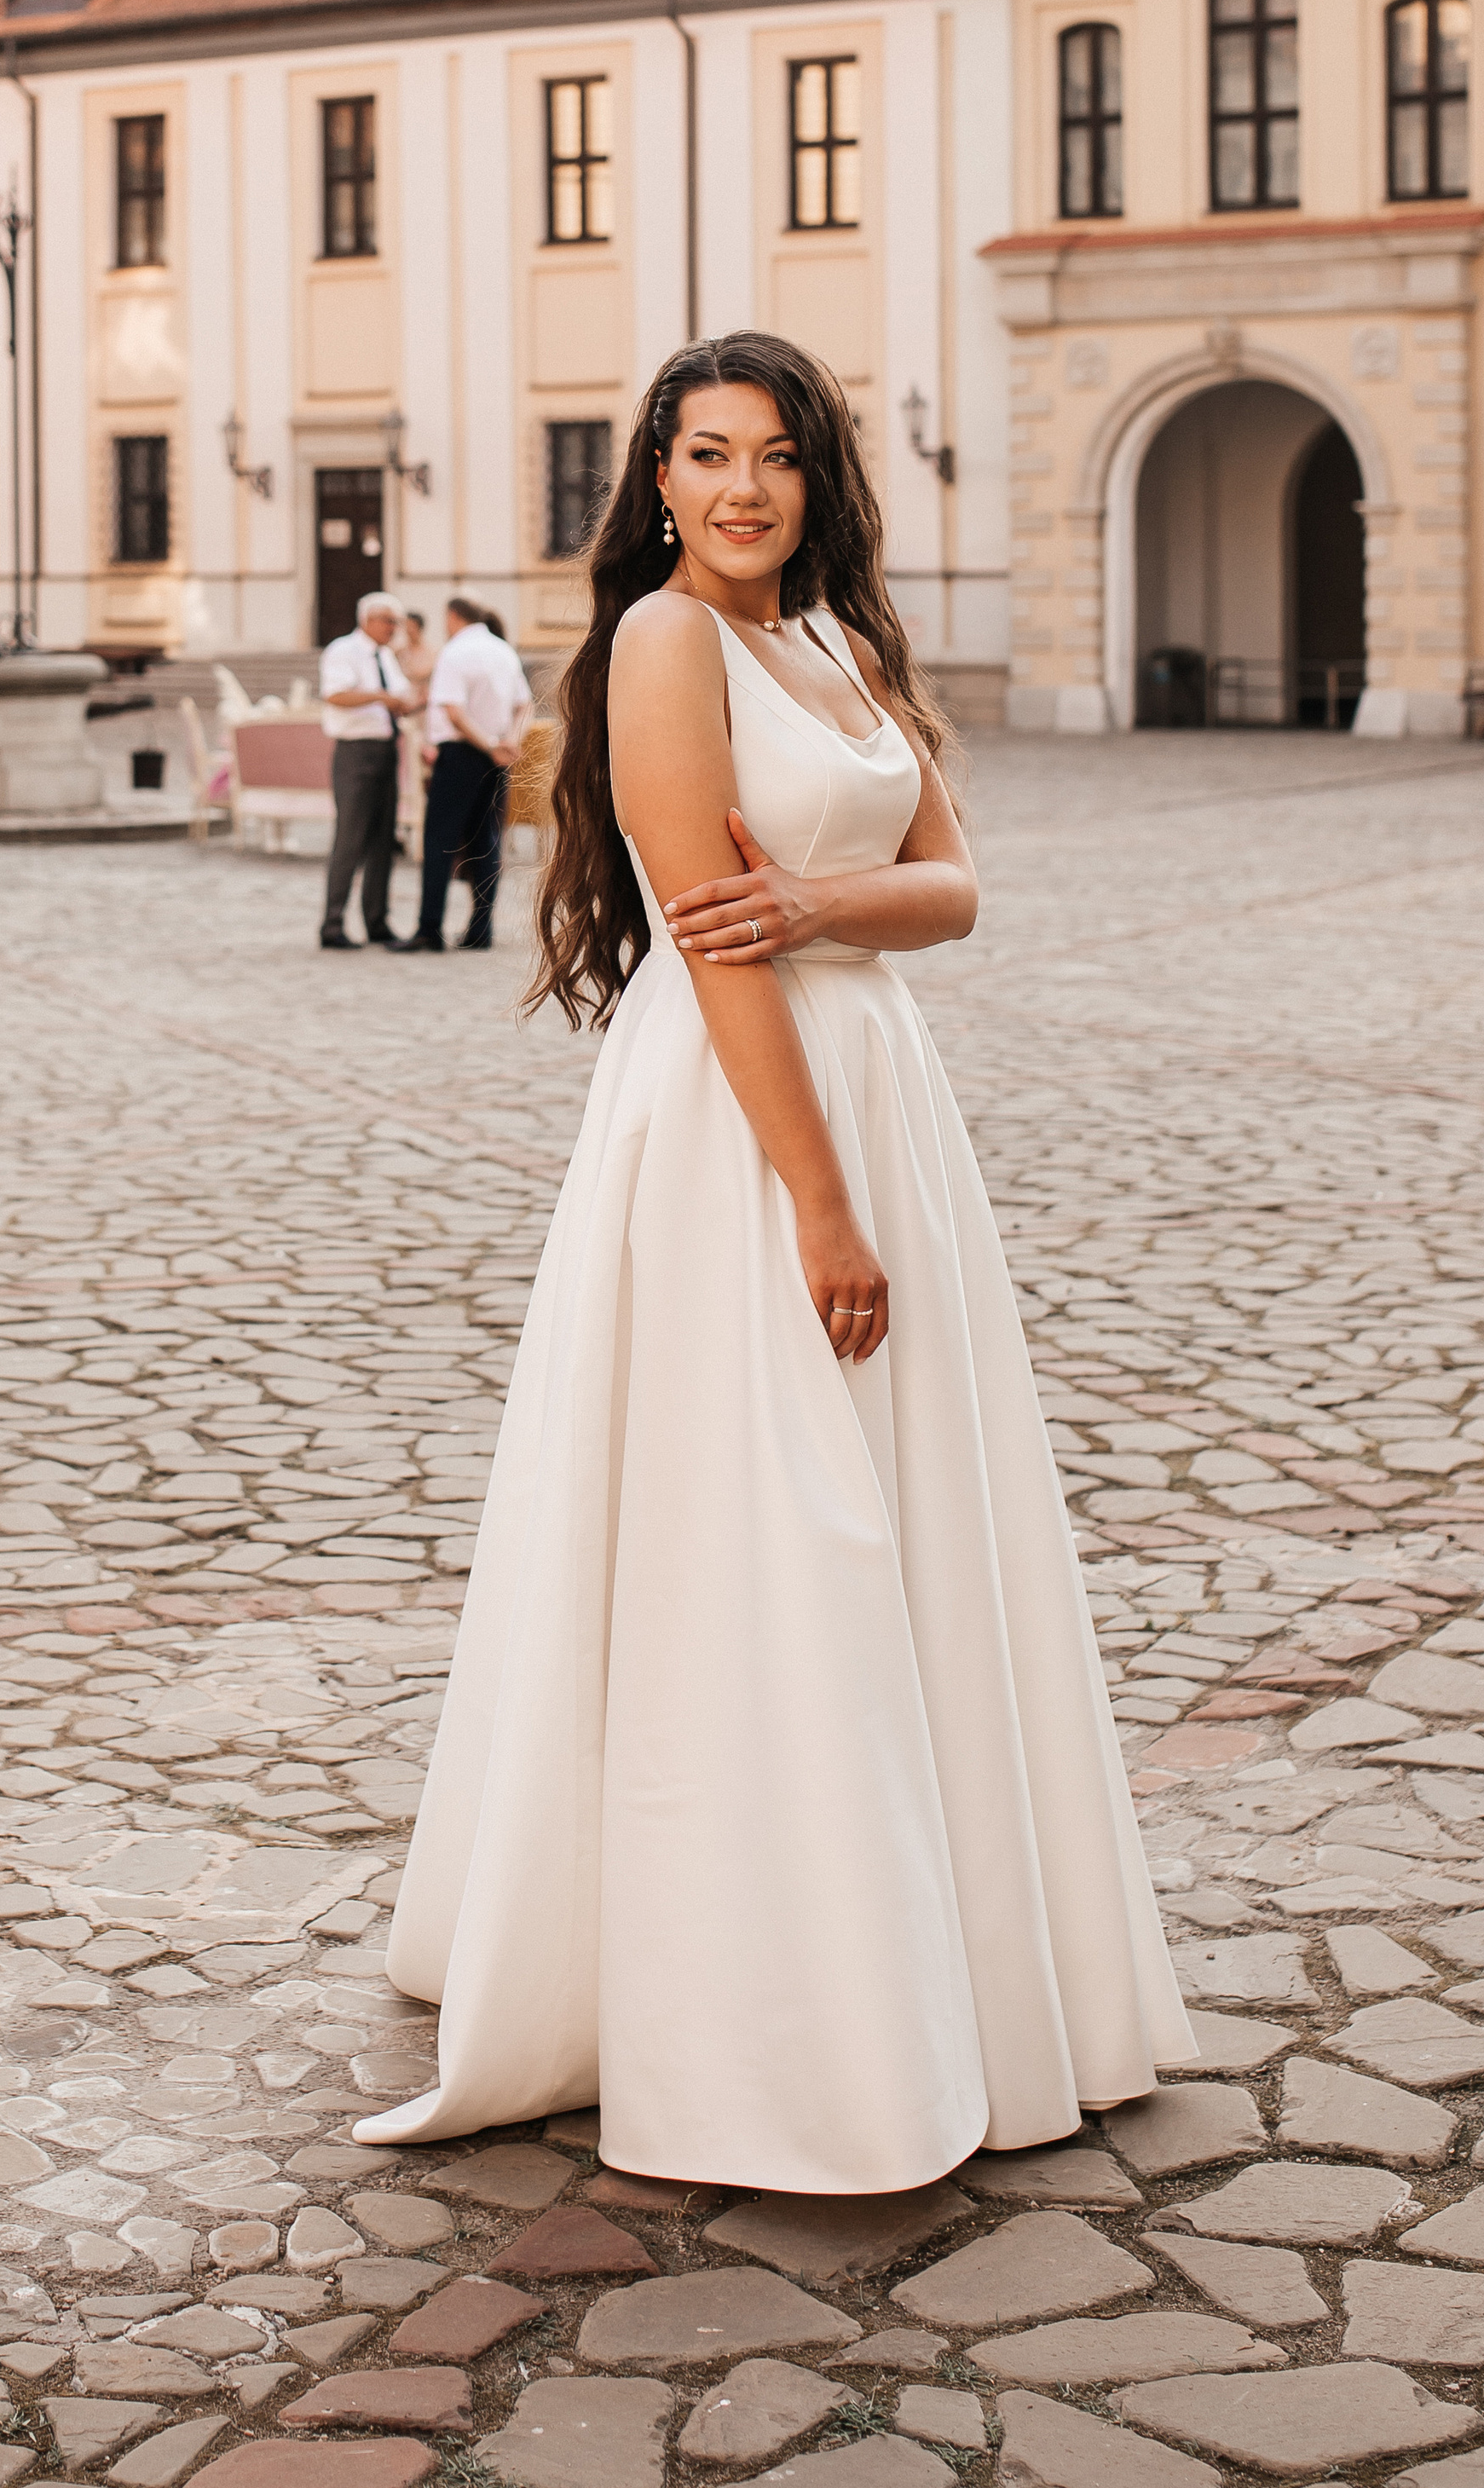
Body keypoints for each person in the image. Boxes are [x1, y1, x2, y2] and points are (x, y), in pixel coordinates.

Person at [356, 330, 1192, 2190]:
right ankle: (761, 1997)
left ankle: (935, 1960)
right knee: (766, 1518)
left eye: (777, 455)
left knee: (902, 1511)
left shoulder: (840, 644)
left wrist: (822, 894)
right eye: (707, 454)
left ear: (819, 478)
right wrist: (814, 1198)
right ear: (656, 481)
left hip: (881, 1082)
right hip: (747, 1115)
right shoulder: (663, 642)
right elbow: (710, 942)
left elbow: (954, 887)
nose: (742, 488)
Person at [391, 597, 534, 953]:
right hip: (497, 757)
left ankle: (429, 928)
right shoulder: (504, 650)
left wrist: (490, 745)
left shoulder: (455, 652)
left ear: (453, 616)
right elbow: (525, 704)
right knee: (487, 841)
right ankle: (481, 929)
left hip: (462, 754)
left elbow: (454, 712)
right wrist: (510, 742)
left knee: (440, 840)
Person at [318, 591, 419, 949]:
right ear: (368, 620)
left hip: (386, 751)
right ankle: (332, 924)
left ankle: (377, 920)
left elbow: (400, 696)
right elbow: (335, 695)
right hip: (355, 753)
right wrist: (379, 697)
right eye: (389, 621)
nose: (394, 629)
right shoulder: (343, 651)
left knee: (383, 840)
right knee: (349, 839)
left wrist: (408, 703)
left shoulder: (386, 657)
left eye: (397, 622)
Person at [393, 606, 438, 857]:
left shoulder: (431, 653)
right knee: (402, 771)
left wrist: (417, 704)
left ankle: (418, 824)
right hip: (402, 714)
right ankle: (400, 828)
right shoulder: (397, 653)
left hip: (421, 716)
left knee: (418, 770)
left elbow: (432, 686)